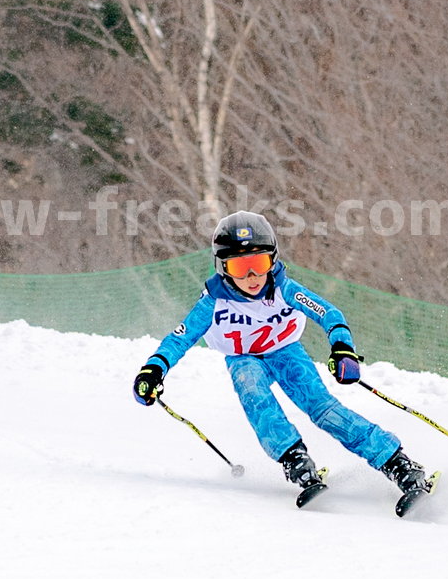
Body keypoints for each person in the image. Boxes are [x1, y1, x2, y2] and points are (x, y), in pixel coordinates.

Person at [132, 211, 431, 507]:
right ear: (223, 268)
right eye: (239, 267)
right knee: (253, 392)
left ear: (272, 260)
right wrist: (152, 371)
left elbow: (329, 314)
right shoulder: (213, 301)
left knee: (323, 409)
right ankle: (295, 459)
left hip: (286, 353)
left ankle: (399, 464)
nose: (251, 277)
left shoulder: (284, 288)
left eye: (258, 263)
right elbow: (179, 338)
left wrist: (342, 348)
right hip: (244, 358)